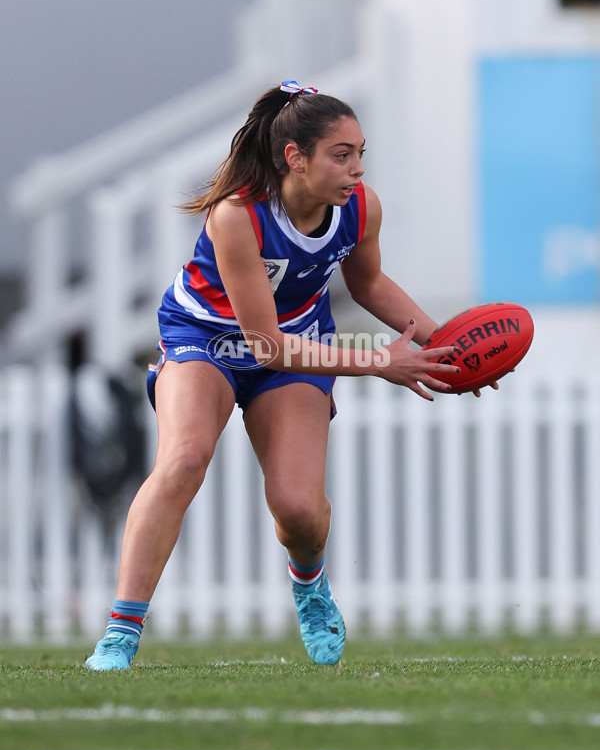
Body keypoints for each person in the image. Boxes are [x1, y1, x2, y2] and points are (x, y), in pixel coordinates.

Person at [84, 80, 463, 671]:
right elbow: (264, 345)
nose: (358, 169)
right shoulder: (237, 215)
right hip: (205, 337)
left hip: (298, 343)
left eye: (362, 153)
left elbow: (368, 285)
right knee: (184, 460)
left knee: (299, 509)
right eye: (342, 155)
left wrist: (448, 347)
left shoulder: (361, 208)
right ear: (296, 157)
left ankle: (309, 587)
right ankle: (120, 634)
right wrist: (379, 361)